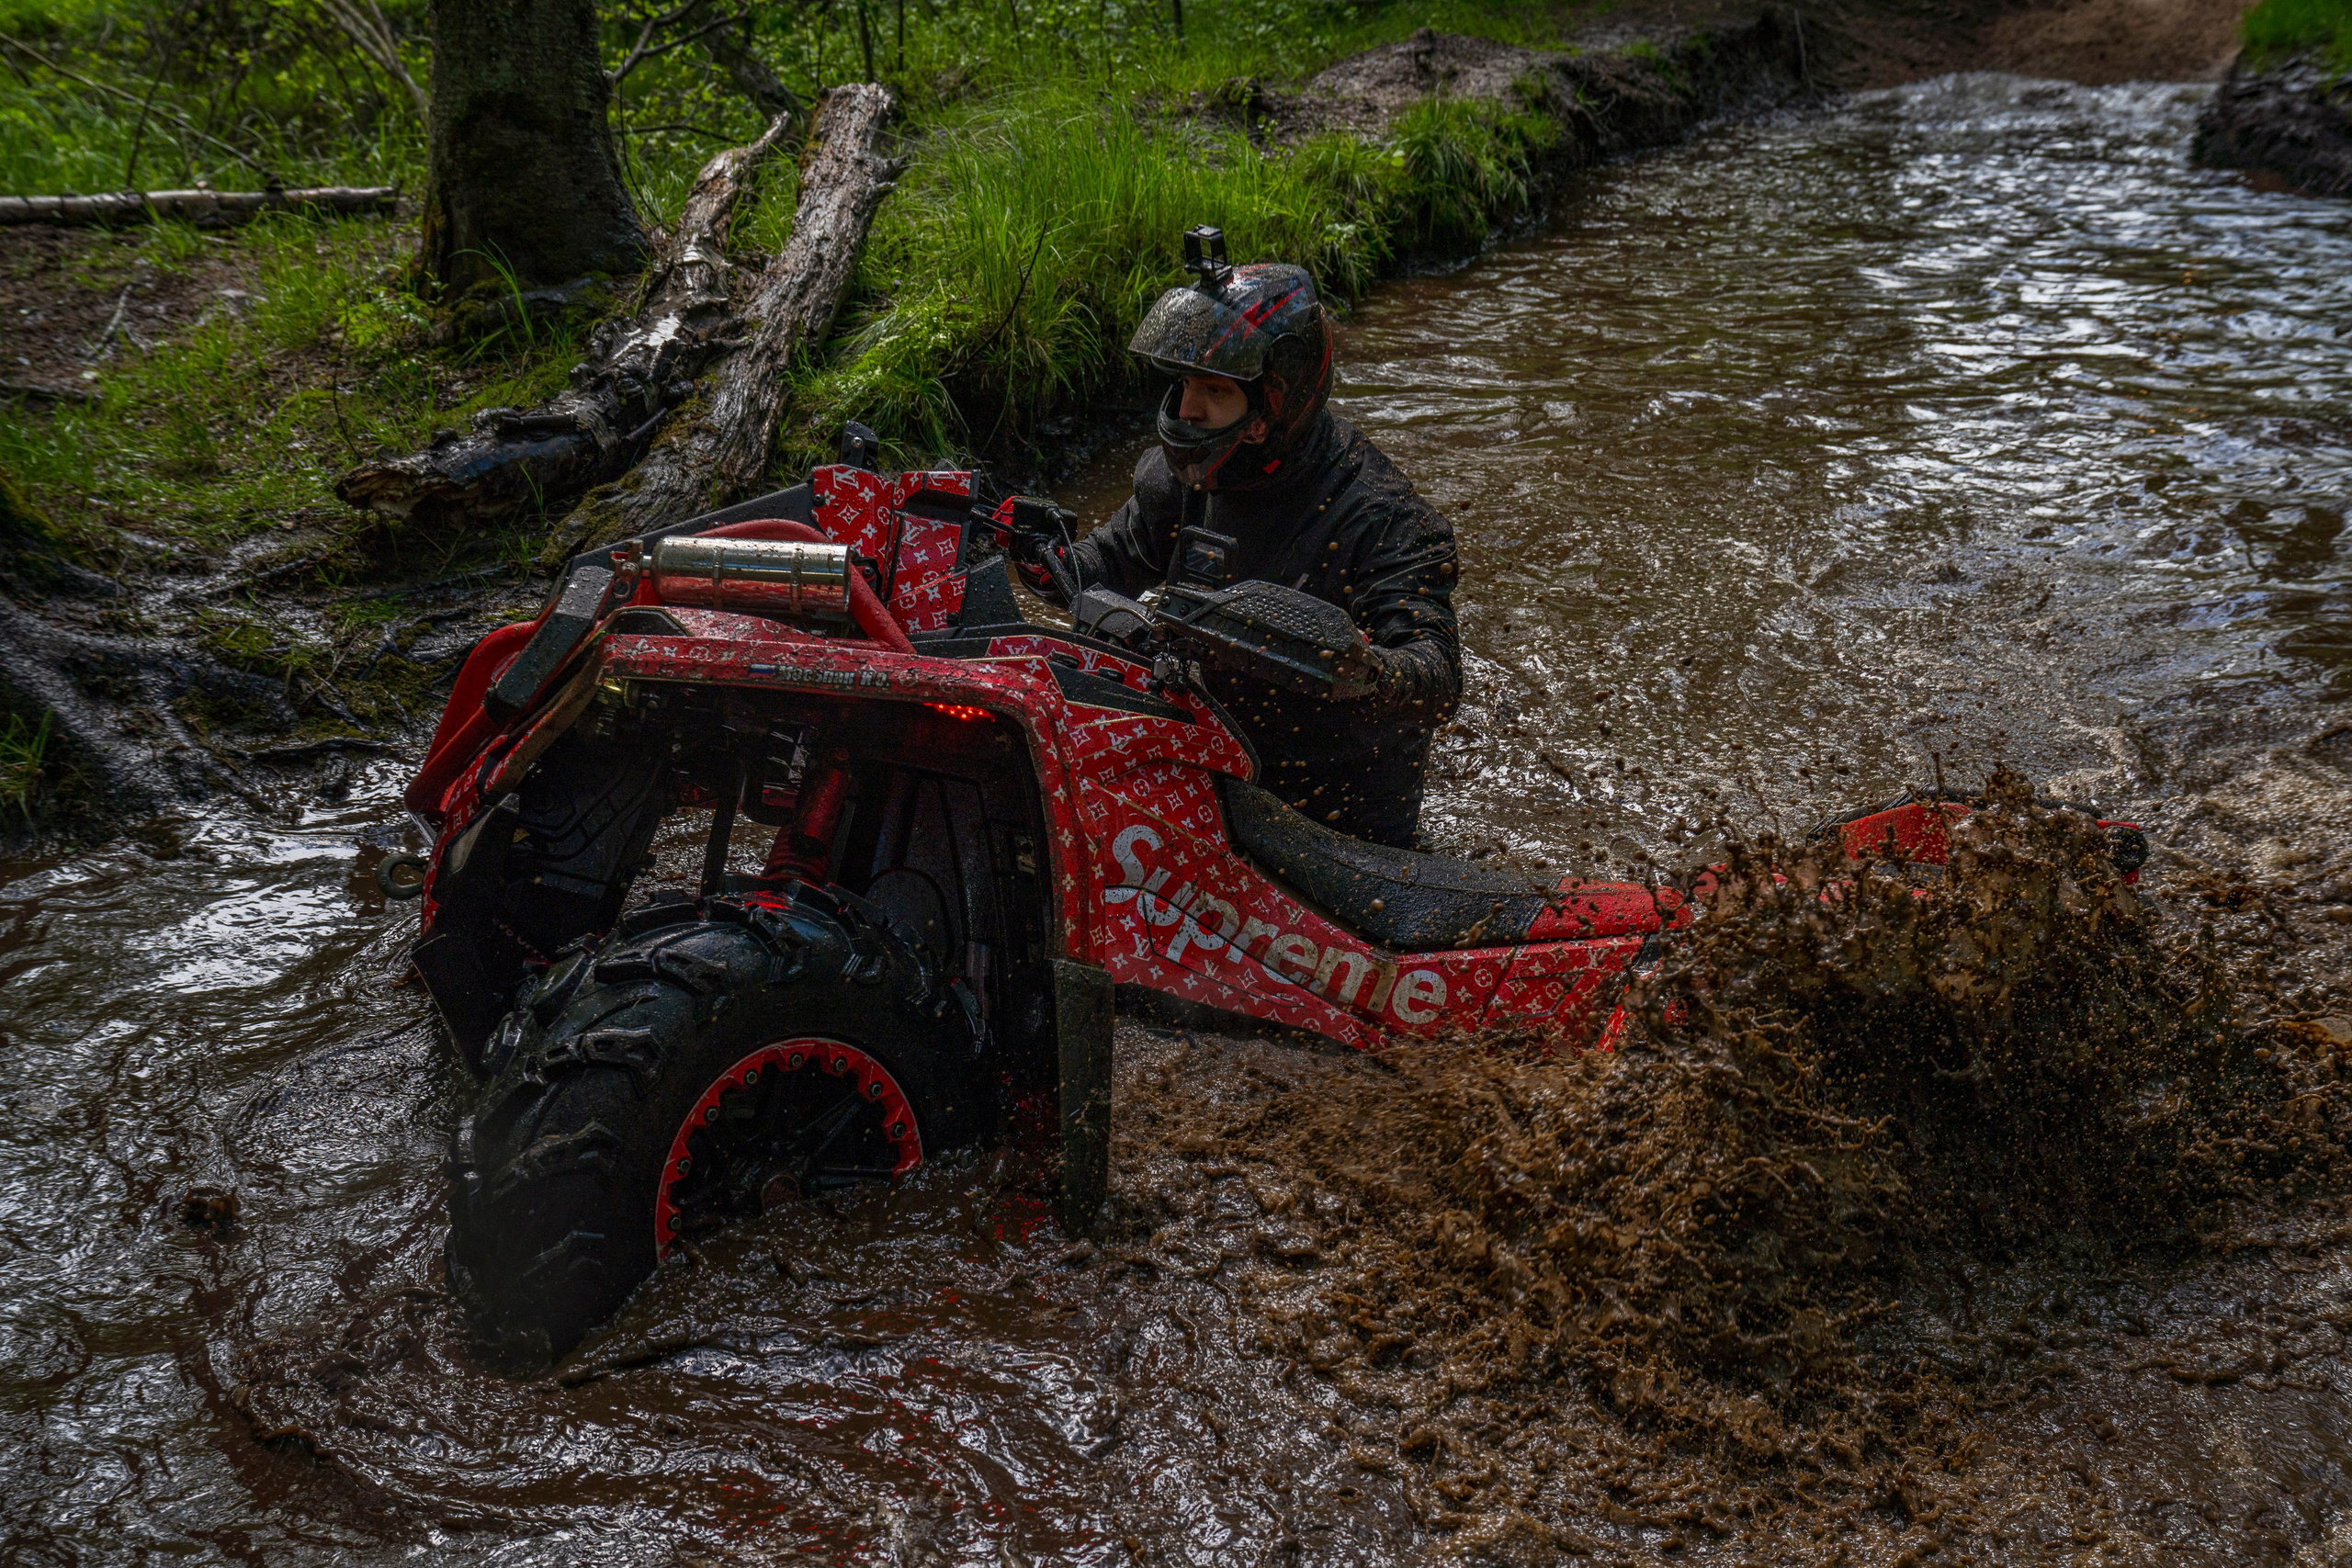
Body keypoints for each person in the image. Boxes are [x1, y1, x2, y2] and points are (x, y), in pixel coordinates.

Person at [1019, 229, 1461, 850]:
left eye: (1215, 391)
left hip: (1336, 814)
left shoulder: (1381, 517)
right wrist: (1046, 558)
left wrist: (1361, 671)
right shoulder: (1184, 481)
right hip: (1211, 772)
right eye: (1185, 384)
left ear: (1274, 403)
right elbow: (1112, 559)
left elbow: (1438, 680)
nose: (1188, 409)